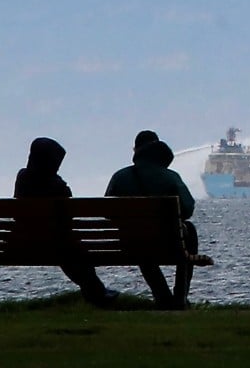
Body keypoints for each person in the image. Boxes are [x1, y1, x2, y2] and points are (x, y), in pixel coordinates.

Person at [13, 137, 118, 307]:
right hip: (54, 243)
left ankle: (96, 292)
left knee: (69, 253)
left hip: (22, 243)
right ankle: (97, 293)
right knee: (72, 253)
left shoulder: (23, 177)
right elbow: (66, 216)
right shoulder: (56, 184)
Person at [105, 130, 198, 309]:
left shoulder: (120, 177)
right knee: (189, 230)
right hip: (168, 242)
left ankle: (162, 296)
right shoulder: (170, 177)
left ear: (135, 151)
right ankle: (180, 296)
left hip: (129, 243)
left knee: (141, 244)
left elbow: (108, 211)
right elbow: (187, 209)